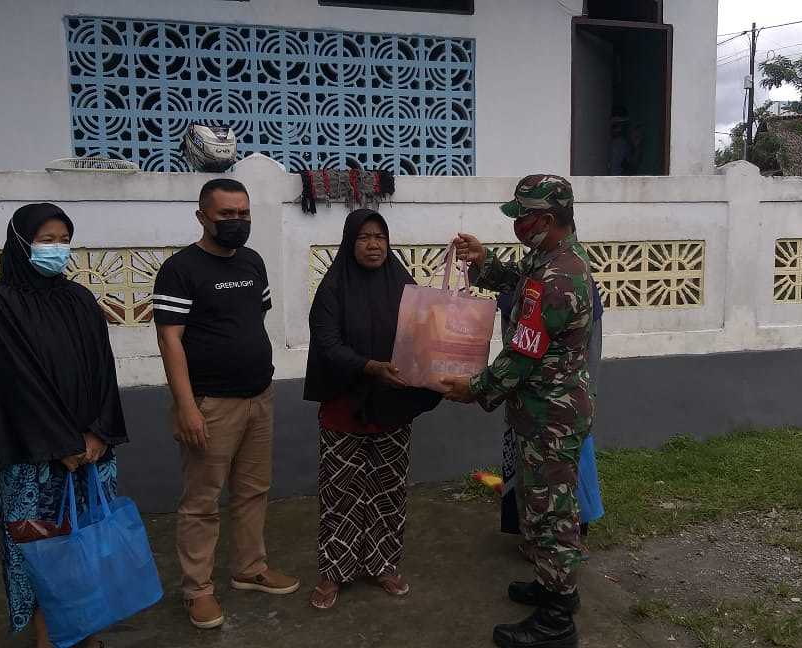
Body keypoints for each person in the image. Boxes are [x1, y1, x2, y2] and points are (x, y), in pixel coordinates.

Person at [0, 203, 130, 648]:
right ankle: (50, 641)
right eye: (46, 240)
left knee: (89, 546)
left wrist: (97, 432)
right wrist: (61, 443)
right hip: (36, 459)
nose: (56, 249)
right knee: (43, 555)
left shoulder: (78, 299)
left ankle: (89, 636)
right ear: (21, 243)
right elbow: (15, 380)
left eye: (63, 239)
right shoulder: (0, 303)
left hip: (92, 453)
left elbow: (102, 369)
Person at [442, 175, 595, 648]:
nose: (516, 224)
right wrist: (485, 262)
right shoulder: (550, 260)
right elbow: (518, 280)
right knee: (538, 504)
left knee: (553, 515)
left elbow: (523, 354)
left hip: (552, 414)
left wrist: (473, 388)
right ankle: (552, 587)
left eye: (522, 216)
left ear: (547, 220)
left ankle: (557, 621)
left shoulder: (559, 278)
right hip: (542, 408)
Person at [154, 179, 299, 630]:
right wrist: (185, 407)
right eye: (226, 215)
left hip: (259, 396)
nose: (237, 222)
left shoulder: (253, 262)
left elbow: (254, 319)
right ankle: (197, 590)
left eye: (243, 214)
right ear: (203, 217)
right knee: (202, 501)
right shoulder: (181, 269)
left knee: (253, 490)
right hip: (210, 404)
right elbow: (169, 338)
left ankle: (249, 568)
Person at [303, 209, 442, 610]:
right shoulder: (332, 290)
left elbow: (424, 329)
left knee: (388, 491)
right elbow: (327, 345)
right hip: (344, 406)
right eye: (363, 237)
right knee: (340, 494)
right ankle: (333, 571)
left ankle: (383, 564)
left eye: (380, 236)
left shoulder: (402, 285)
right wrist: (369, 367)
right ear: (350, 243)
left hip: (391, 407)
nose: (373, 244)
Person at [496, 282, 605, 545]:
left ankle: (565, 544)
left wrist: (588, 394)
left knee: (564, 476)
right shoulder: (517, 284)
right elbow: (510, 346)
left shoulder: (579, 282)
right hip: (527, 399)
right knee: (529, 472)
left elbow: (591, 349)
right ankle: (533, 537)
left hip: (565, 404)